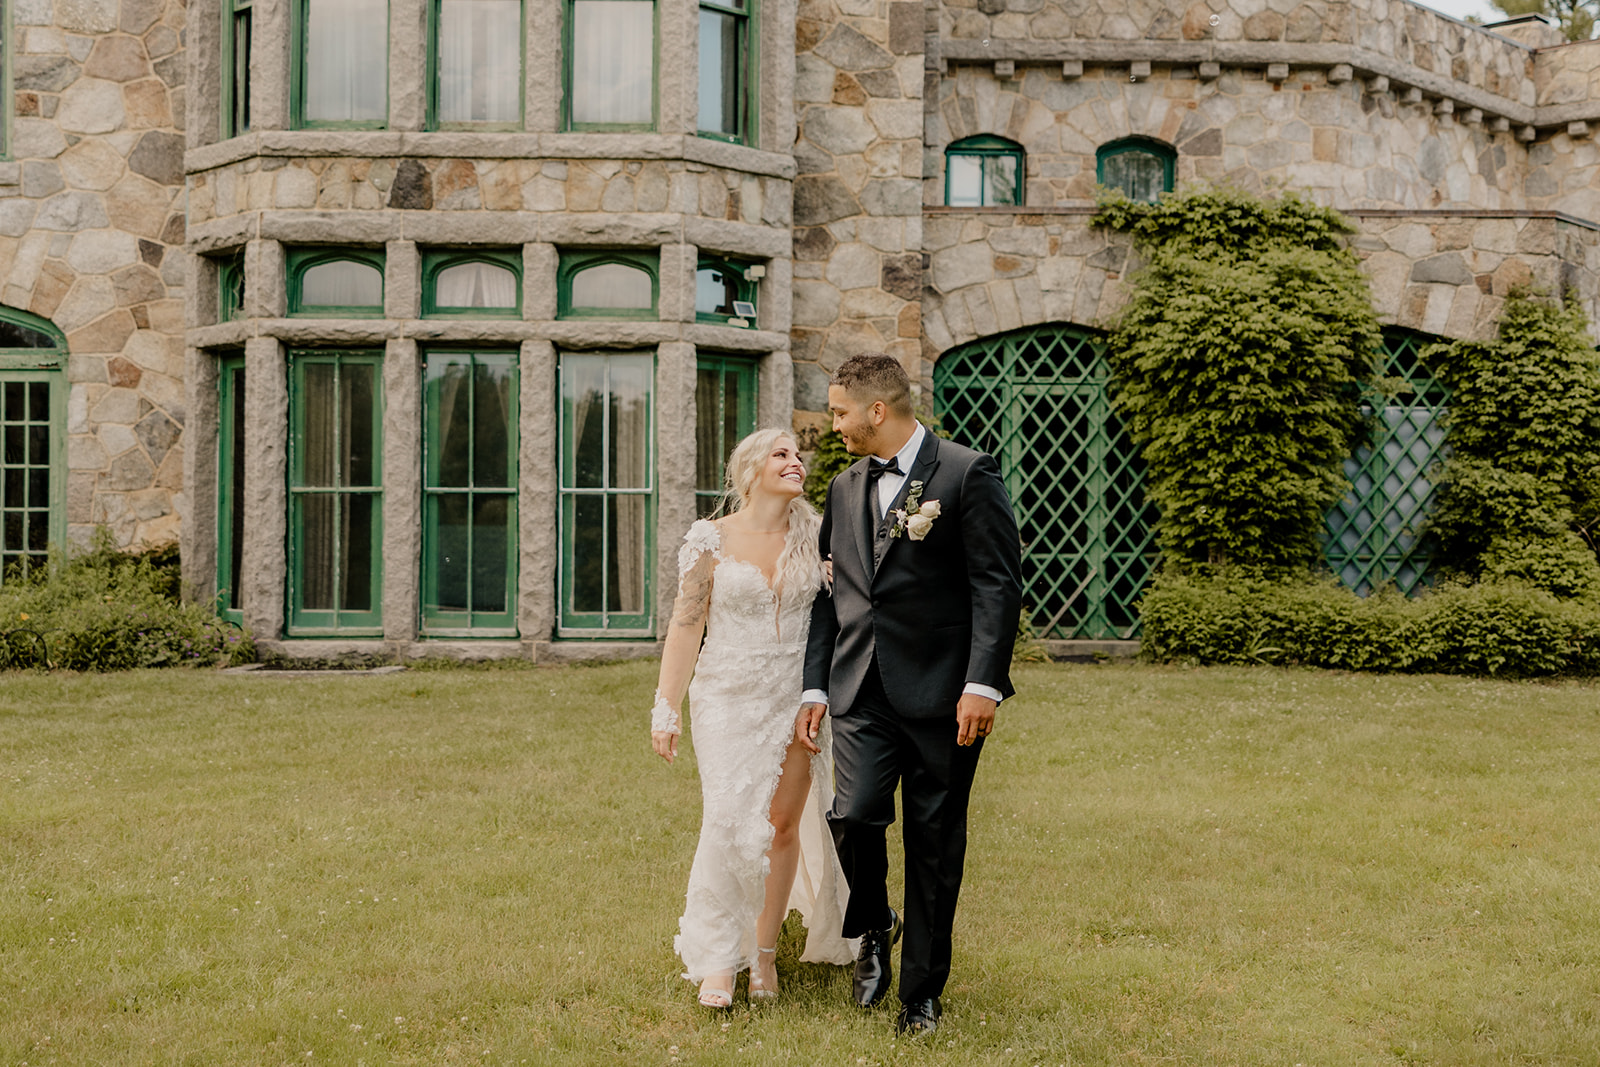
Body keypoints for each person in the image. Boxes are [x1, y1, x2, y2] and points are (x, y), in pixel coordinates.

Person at [796, 353, 1023, 1037]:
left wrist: (982, 683)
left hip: (945, 695)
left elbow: (996, 583)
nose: (831, 424)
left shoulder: (964, 472)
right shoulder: (842, 487)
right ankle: (873, 921)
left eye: (839, 411)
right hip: (859, 686)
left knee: (933, 844)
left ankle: (920, 993)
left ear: (876, 410)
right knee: (854, 812)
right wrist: (814, 682)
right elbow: (830, 593)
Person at [650, 428, 857, 1009]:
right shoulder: (709, 539)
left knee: (782, 824)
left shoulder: (817, 536)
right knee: (726, 818)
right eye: (782, 454)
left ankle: (763, 953)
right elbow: (687, 627)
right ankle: (718, 959)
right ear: (750, 470)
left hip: (797, 695)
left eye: (798, 454)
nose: (797, 462)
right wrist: (666, 707)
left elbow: (843, 612)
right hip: (725, 695)